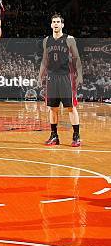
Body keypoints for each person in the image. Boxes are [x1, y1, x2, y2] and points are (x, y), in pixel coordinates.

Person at [38, 13, 83, 147]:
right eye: (54, 22)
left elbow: (76, 58)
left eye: (58, 22)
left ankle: (76, 136)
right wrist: (40, 76)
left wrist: (79, 74)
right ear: (51, 25)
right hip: (51, 77)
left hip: (66, 77)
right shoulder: (46, 40)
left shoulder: (69, 39)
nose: (56, 24)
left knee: (70, 107)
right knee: (53, 108)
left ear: (62, 24)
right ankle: (54, 136)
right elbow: (44, 60)